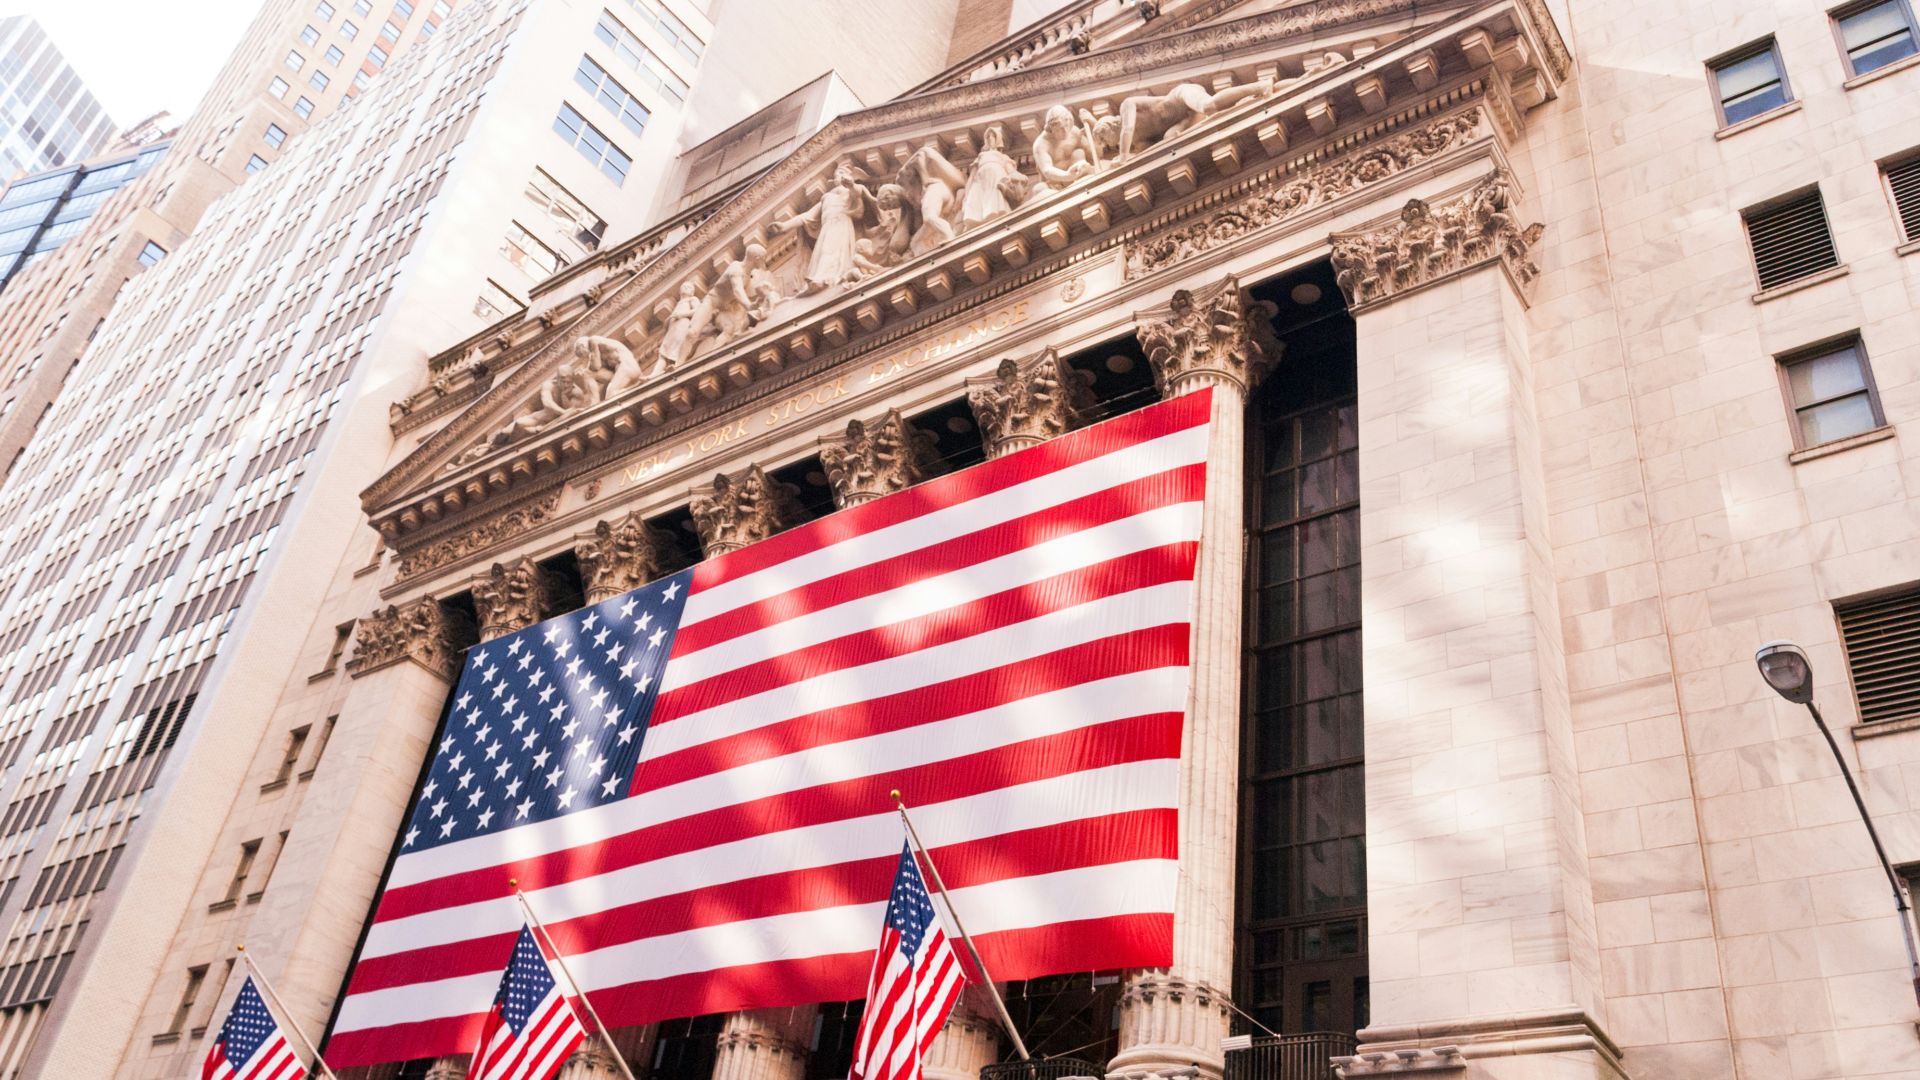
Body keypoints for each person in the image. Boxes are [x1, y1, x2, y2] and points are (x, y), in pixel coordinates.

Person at [769, 159, 875, 294]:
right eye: (837, 174)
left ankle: (829, 278)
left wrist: (852, 186)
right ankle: (820, 277)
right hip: (827, 227)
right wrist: (784, 225)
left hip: (840, 223)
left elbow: (858, 208)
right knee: (823, 251)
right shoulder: (826, 197)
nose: (839, 176)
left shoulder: (851, 191)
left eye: (842, 173)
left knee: (832, 251)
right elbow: (807, 216)